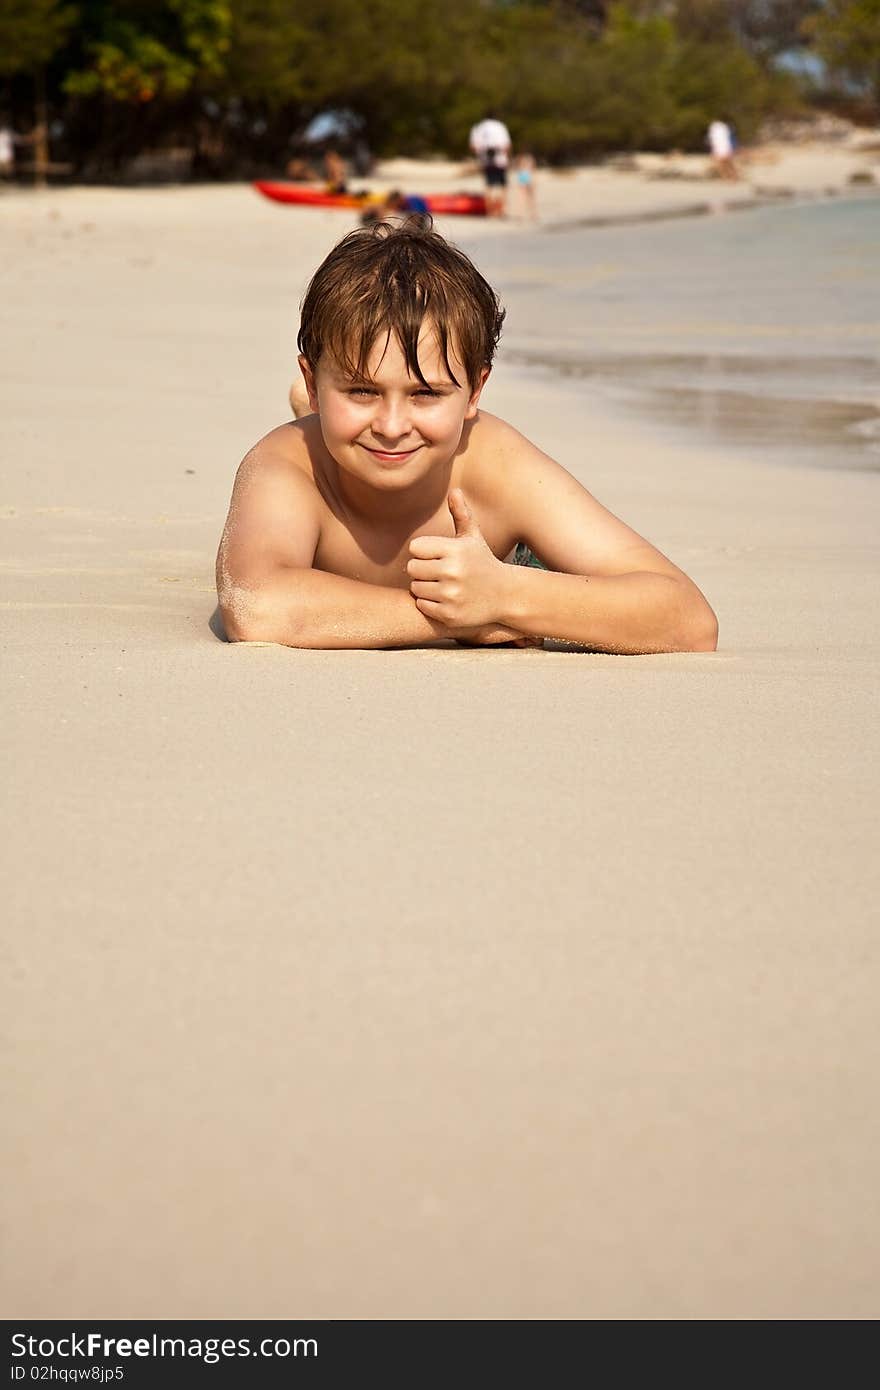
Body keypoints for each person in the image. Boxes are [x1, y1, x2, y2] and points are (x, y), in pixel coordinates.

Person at [218, 222, 718, 654]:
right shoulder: (289, 464)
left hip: (502, 564)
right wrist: (459, 616)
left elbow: (689, 619)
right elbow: (255, 604)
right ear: (311, 377)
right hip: (328, 445)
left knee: (359, 432)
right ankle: (318, 411)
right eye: (362, 389)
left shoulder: (496, 463)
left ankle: (333, 407)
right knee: (336, 433)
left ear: (476, 390)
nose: (392, 427)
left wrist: (506, 593)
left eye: (426, 394)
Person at [468, 111, 511, 217]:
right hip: (500, 160)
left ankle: (490, 211)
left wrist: (481, 154)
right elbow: (507, 145)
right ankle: (500, 210)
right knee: (502, 186)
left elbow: (473, 146)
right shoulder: (500, 126)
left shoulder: (478, 127)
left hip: (486, 160)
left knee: (489, 186)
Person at [513, 152, 537, 220]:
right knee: (528, 198)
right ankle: (531, 213)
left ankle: (523, 214)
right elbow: (532, 172)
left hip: (524, 179)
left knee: (524, 198)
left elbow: (519, 172)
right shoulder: (528, 162)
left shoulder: (522, 163)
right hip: (526, 178)